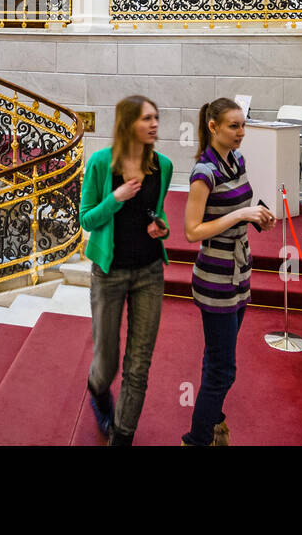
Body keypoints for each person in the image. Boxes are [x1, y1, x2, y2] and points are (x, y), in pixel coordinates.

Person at [79, 95, 173, 446]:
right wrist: (115, 198)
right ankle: (98, 392)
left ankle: (123, 436)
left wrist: (160, 227)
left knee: (138, 365)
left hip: (149, 272)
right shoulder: (102, 164)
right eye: (146, 118)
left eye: (156, 118)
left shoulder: (162, 166)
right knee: (106, 363)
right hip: (110, 273)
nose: (154, 124)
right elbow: (86, 218)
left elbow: (157, 215)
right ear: (127, 123)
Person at [181, 97, 274, 446]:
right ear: (213, 128)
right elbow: (192, 232)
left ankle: (215, 420)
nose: (241, 133)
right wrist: (240, 216)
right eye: (233, 126)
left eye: (243, 126)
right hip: (215, 277)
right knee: (224, 369)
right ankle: (197, 439)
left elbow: (238, 206)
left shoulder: (236, 159)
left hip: (240, 271)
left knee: (217, 358)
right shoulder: (203, 173)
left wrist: (257, 216)